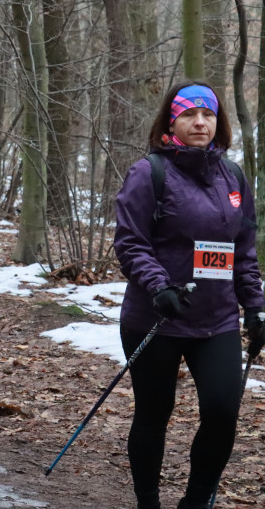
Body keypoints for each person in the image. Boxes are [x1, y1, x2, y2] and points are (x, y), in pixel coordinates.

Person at [114, 81, 265, 509]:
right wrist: (158, 285)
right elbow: (130, 241)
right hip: (156, 316)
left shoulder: (233, 175)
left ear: (218, 122)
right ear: (172, 121)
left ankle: (197, 501)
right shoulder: (150, 172)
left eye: (209, 115)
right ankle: (148, 502)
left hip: (216, 318)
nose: (200, 122)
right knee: (153, 413)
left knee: (222, 411)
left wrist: (255, 306)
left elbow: (244, 249)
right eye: (189, 115)